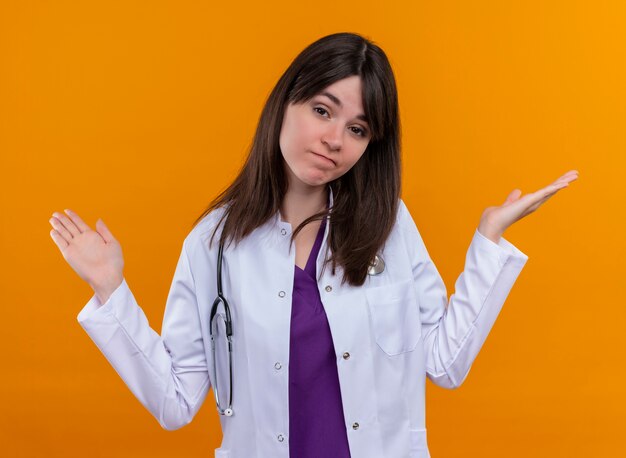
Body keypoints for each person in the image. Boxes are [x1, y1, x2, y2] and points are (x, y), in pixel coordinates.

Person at [49, 32, 578, 458]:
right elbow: (175, 400)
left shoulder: (388, 225)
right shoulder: (214, 242)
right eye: (323, 111)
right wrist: (109, 290)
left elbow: (444, 362)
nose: (335, 141)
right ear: (286, 102)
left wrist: (488, 242)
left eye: (358, 128)